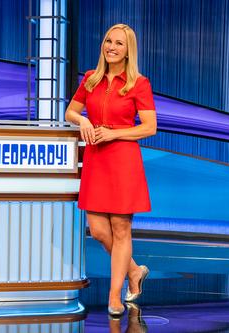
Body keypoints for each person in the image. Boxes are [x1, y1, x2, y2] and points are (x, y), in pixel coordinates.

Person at [65, 23, 156, 316]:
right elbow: (71, 111)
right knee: (99, 230)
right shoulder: (91, 79)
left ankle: (114, 296)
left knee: (121, 229)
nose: (112, 47)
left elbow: (149, 127)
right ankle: (134, 271)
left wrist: (114, 133)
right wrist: (84, 122)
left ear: (129, 50)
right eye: (108, 41)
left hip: (122, 159)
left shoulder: (139, 83)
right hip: (96, 159)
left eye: (119, 43)